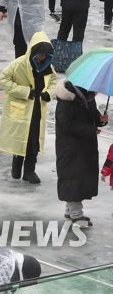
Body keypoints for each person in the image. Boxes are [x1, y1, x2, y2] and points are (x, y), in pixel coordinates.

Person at [0, 32, 56, 184]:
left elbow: (54, 82)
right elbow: (3, 78)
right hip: (21, 108)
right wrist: (24, 92)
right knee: (20, 138)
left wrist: (48, 93)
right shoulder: (19, 64)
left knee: (34, 140)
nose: (41, 58)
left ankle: (30, 170)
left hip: (37, 109)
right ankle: (16, 165)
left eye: (45, 55)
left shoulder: (48, 68)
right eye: (40, 55)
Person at [55, 79, 107, 228]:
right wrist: (90, 130)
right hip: (70, 148)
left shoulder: (87, 97)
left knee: (79, 178)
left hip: (85, 147)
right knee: (73, 177)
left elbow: (92, 115)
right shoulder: (66, 100)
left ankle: (70, 211)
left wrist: (100, 120)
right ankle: (76, 216)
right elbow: (67, 124)